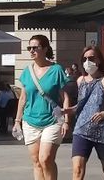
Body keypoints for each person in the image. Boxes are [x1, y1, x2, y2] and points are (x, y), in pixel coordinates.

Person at [13, 34, 71, 180]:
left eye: (35, 47)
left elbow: (65, 97)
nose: (31, 51)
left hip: (52, 121)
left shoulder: (56, 69)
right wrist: (17, 121)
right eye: (29, 48)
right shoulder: (27, 71)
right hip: (30, 121)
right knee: (37, 162)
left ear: (45, 49)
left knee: (45, 159)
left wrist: (66, 121)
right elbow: (23, 98)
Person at [71, 46, 104, 180]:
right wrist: (68, 111)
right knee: (77, 170)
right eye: (85, 59)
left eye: (91, 58)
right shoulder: (80, 80)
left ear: (99, 60)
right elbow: (82, 106)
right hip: (81, 130)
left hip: (103, 132)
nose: (88, 61)